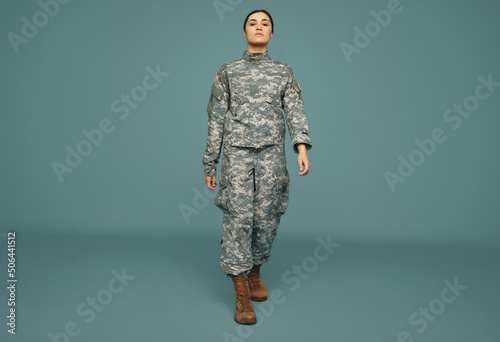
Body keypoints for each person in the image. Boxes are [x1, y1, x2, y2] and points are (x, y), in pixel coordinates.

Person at [202, 9, 312, 324]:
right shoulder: (228, 71)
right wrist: (210, 160)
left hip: (272, 154)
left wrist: (301, 147)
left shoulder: (284, 71)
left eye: (265, 23)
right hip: (236, 155)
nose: (259, 27)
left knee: (267, 217)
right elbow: (216, 118)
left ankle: (255, 271)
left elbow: (295, 109)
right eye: (253, 23)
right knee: (238, 218)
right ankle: (241, 297)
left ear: (272, 33)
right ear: (245, 31)